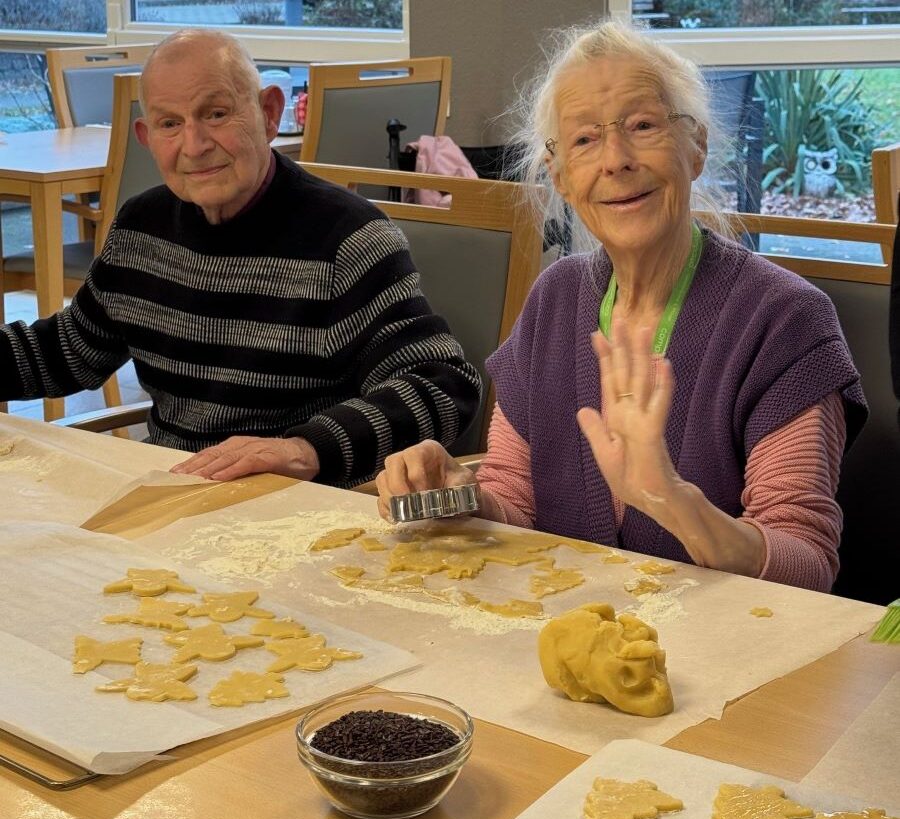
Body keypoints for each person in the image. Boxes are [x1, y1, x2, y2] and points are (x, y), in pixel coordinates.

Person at [376, 20, 867, 593]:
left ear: (697, 145)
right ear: (559, 175)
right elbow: (514, 498)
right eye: (584, 139)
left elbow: (807, 562)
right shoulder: (554, 300)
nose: (615, 160)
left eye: (643, 125)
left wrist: (675, 502)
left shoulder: (783, 319)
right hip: (563, 637)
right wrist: (456, 495)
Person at [0, 29, 481, 487]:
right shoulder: (141, 227)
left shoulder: (347, 239)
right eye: (171, 124)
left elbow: (443, 387)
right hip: (170, 492)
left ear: (269, 113)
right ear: (148, 139)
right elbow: (70, 351)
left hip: (294, 509)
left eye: (215, 114)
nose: (194, 145)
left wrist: (303, 449)